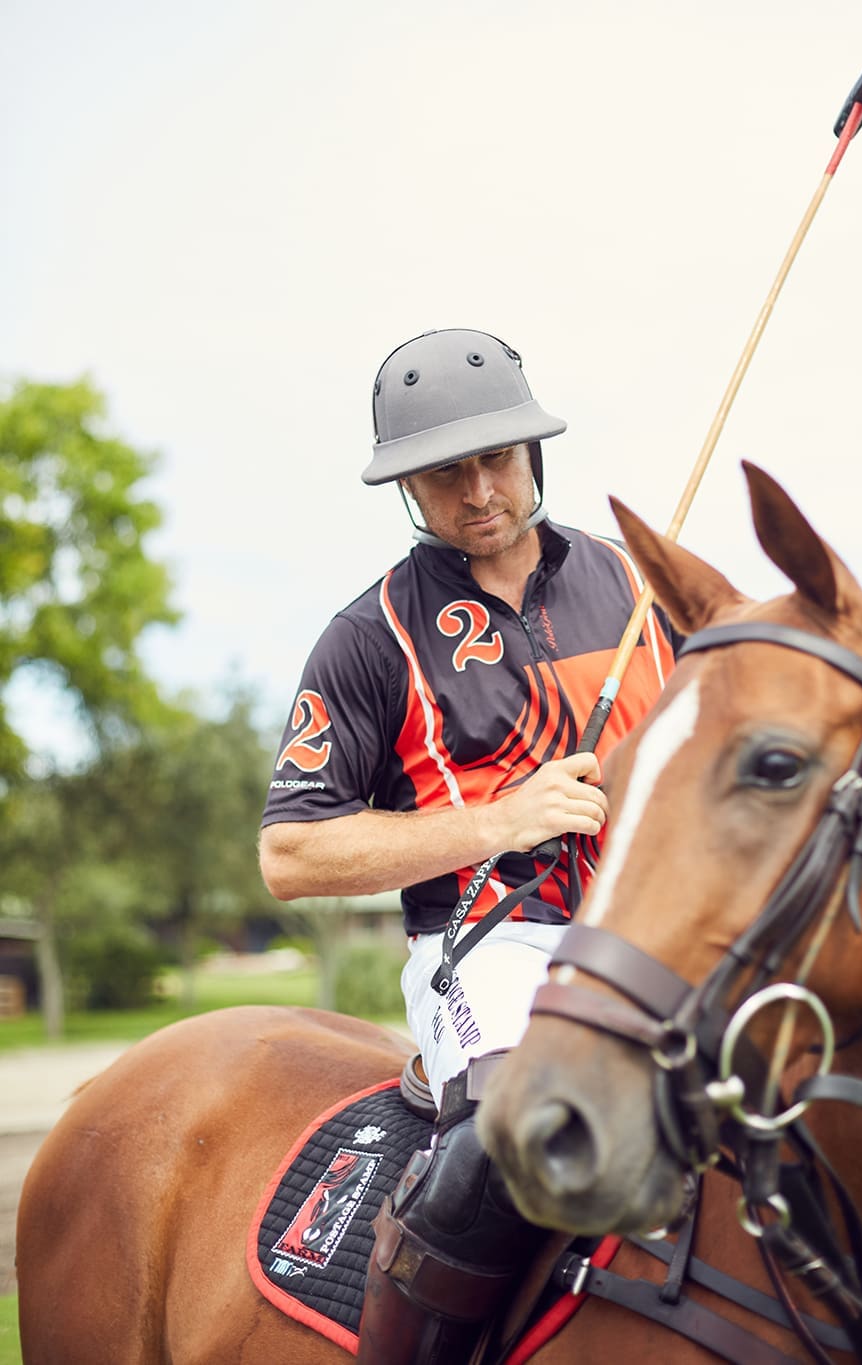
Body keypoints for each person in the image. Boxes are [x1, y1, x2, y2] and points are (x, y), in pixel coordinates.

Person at [259, 327, 679, 1363]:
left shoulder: (636, 587)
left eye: (498, 457)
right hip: (496, 948)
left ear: (533, 451)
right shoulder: (371, 638)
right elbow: (292, 856)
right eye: (446, 472)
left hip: (658, 930)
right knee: (504, 1133)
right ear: (408, 488)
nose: (480, 489)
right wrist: (501, 820)